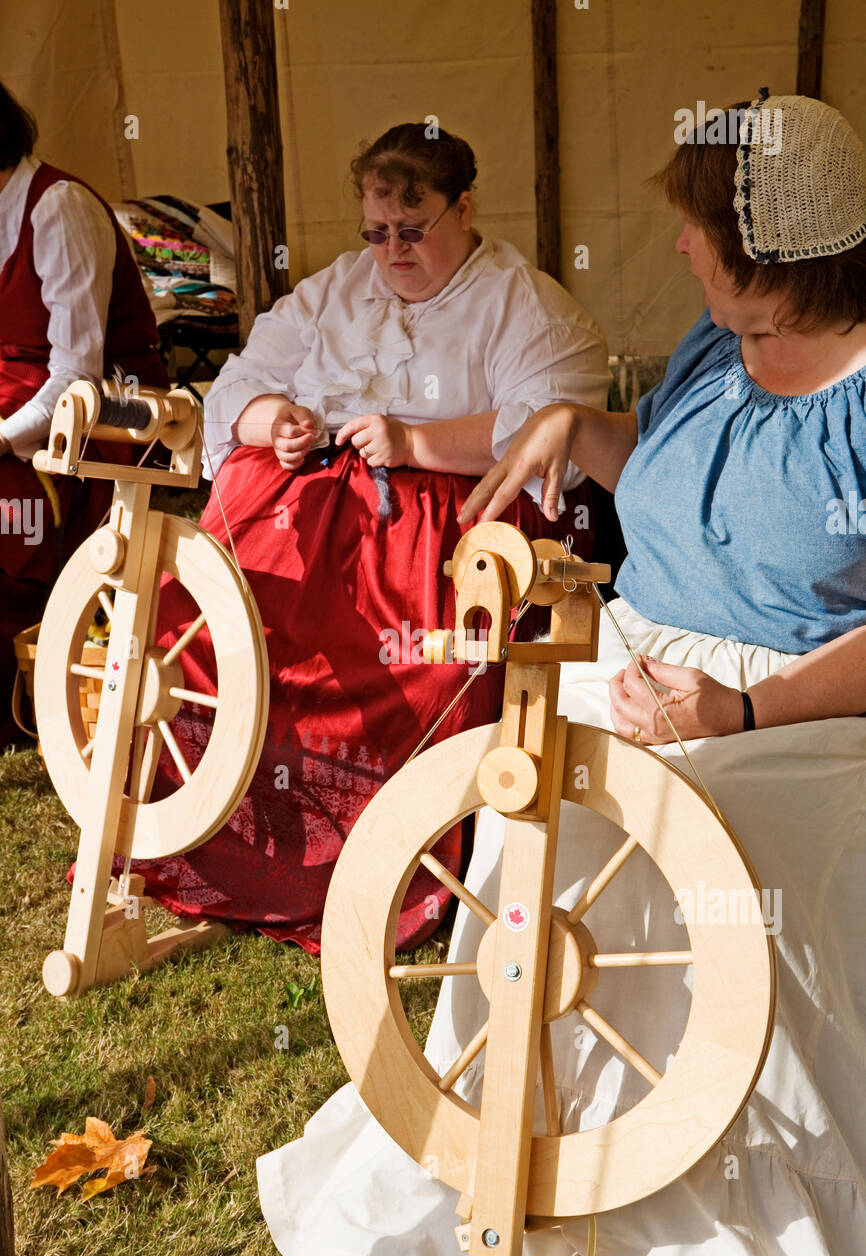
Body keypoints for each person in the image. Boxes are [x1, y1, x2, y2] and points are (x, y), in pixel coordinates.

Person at [257, 92, 866, 1256]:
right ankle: (493, 1148)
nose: (682, 246)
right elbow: (675, 469)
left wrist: (738, 711)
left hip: (804, 713)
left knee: (711, 850)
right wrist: (576, 428)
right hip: (640, 659)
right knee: (533, 801)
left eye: (698, 228)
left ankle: (686, 1200)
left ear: (765, 251)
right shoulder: (718, 343)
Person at [136, 123, 609, 955]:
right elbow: (242, 379)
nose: (392, 250)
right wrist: (270, 420)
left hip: (444, 521)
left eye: (413, 230)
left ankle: (369, 870)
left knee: (409, 661)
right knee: (209, 629)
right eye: (377, 232)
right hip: (312, 501)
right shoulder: (335, 291)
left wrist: (413, 442)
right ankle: (221, 842)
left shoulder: (521, 303)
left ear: (464, 208)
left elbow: (546, 433)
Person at [0, 80, 169, 747]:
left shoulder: (59, 208)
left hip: (115, 407)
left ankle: (31, 666)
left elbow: (79, 375)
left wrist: (3, 438)